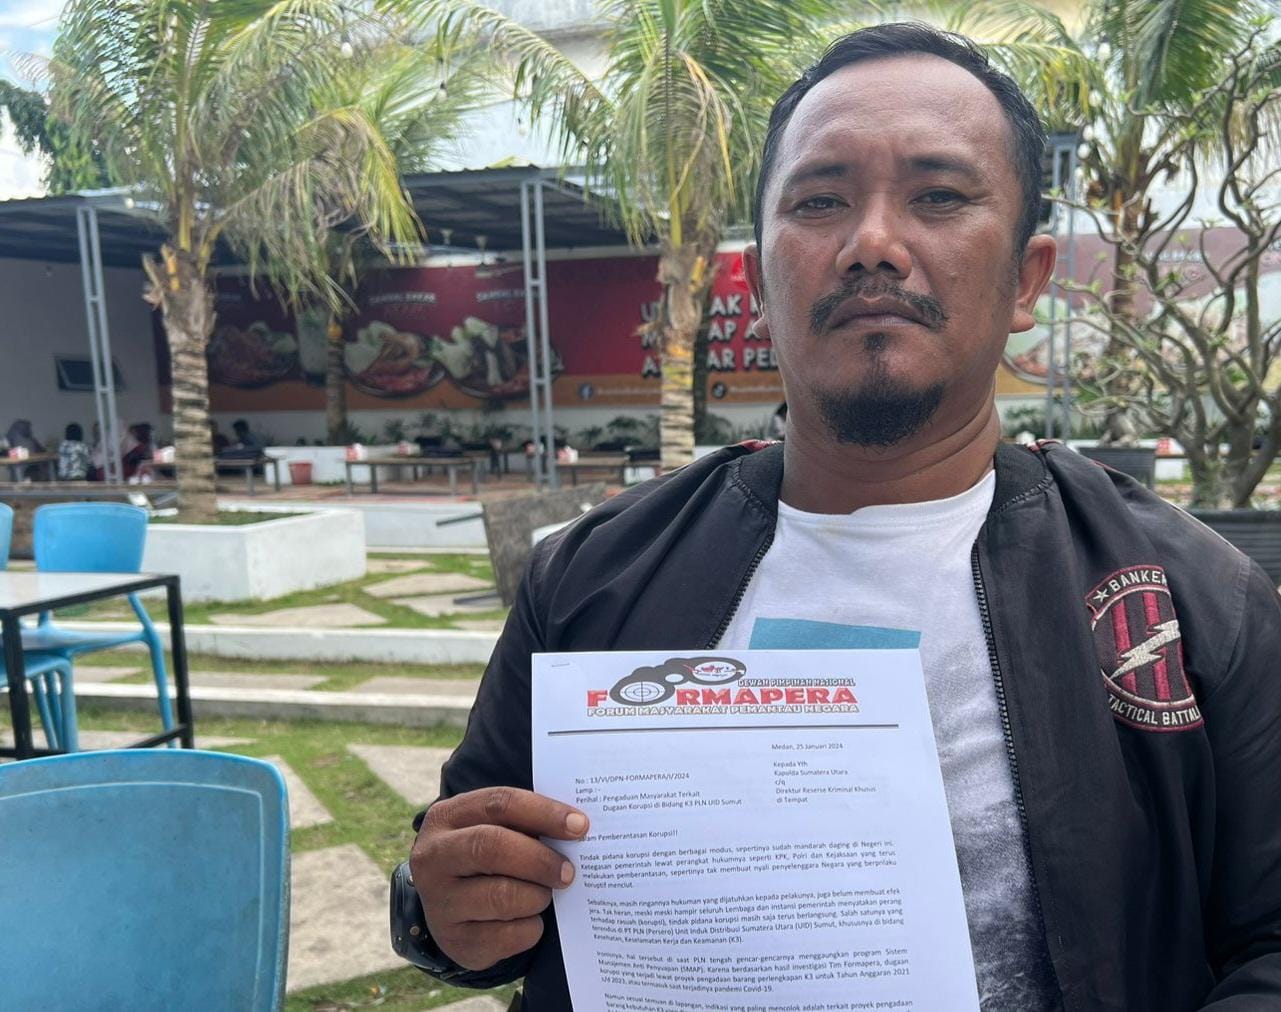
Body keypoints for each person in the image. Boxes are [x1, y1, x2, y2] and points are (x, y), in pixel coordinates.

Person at [397, 24, 1281, 1010]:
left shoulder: (1193, 602)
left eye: (938, 196)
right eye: (820, 201)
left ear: (1027, 278)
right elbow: (467, 874)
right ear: (759, 282)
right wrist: (441, 908)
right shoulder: (594, 576)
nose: (872, 245)